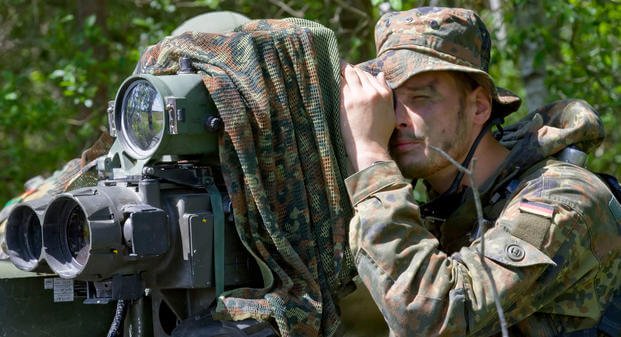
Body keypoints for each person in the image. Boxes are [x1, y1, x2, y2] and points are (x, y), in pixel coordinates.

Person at [338, 6, 621, 336]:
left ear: (479, 107)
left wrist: (370, 157)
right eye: (391, 101)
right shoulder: (443, 212)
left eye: (421, 97)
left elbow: (434, 316)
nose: (398, 118)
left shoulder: (563, 197)